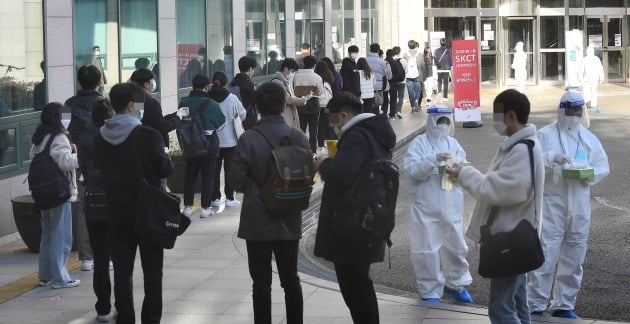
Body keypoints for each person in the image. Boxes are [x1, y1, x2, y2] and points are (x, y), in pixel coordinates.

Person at [444, 89, 544, 324]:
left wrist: (464, 174)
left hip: (510, 239)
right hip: (517, 235)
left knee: (500, 308)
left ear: (510, 115)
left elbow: (501, 190)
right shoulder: (522, 145)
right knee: (518, 303)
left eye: (497, 115)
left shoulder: (522, 149)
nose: (494, 121)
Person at [229, 82, 309, 324]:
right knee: (291, 279)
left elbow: (235, 180)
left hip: (258, 219)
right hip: (290, 215)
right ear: (284, 106)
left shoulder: (249, 139)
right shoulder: (299, 137)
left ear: (256, 107)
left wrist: (257, 188)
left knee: (261, 283)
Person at [313, 92, 396, 324]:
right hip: (368, 219)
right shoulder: (375, 134)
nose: (332, 125)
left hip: (353, 221)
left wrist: (324, 164)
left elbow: (341, 175)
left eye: (332, 119)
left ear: (343, 115)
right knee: (361, 283)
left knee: (353, 286)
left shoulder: (357, 137)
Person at [94, 82, 173, 324]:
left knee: (121, 270)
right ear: (131, 105)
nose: (141, 109)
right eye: (139, 104)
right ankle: (151, 319)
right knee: (152, 273)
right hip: (147, 213)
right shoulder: (148, 135)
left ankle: (125, 318)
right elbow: (165, 168)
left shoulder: (101, 136)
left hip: (116, 212)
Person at [527, 90, 609, 320]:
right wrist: (552, 158)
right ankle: (535, 302)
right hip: (553, 203)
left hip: (580, 205)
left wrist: (588, 175)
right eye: (569, 110)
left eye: (577, 110)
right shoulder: (545, 136)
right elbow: (530, 162)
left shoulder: (589, 138)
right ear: (561, 110)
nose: (573, 115)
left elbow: (603, 166)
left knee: (575, 254)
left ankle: (564, 304)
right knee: (546, 252)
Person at [404, 105, 473, 304]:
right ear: (432, 122)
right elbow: (412, 169)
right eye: (440, 121)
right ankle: (430, 290)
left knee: (456, 247)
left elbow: (464, 165)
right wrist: (432, 159)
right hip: (426, 206)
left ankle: (455, 284)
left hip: (451, 205)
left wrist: (458, 167)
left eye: (446, 121)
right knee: (427, 249)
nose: (443, 125)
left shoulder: (453, 143)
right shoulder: (419, 143)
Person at [30, 102, 81, 290]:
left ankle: (45, 276)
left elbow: (35, 156)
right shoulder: (59, 137)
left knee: (48, 237)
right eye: (64, 116)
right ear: (58, 118)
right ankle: (60, 277)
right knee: (62, 237)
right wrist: (82, 156)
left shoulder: (40, 137)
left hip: (43, 194)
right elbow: (66, 163)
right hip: (59, 194)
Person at [76, 98, 115, 322]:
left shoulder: (85, 138)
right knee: (121, 257)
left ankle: (102, 308)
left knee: (100, 258)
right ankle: (123, 304)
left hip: (94, 200)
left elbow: (83, 169)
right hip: (117, 200)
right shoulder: (117, 135)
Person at [178, 74, 225, 218]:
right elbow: (221, 124)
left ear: (193, 85)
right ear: (206, 86)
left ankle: (187, 207)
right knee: (208, 176)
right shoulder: (212, 104)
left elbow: (182, 122)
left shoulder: (184, 102)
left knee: (190, 176)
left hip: (191, 143)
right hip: (209, 144)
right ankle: (205, 208)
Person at [208, 71, 246, 208]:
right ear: (226, 83)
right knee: (230, 171)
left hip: (213, 142)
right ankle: (230, 198)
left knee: (214, 171)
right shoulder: (232, 98)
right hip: (231, 142)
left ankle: (215, 198)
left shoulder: (208, 98)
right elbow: (243, 114)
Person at [130, 68, 184, 149]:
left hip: (141, 142)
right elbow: (163, 127)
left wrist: (174, 115)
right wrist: (178, 118)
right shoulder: (152, 103)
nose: (154, 82)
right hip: (154, 145)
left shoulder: (138, 98)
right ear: (146, 84)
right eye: (152, 80)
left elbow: (147, 119)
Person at [293, 55, 324, 154]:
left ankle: (300, 151)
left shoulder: (296, 76)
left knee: (301, 130)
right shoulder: (317, 77)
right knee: (313, 131)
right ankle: (313, 152)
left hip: (300, 105)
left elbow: (293, 90)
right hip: (313, 106)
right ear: (314, 65)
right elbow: (320, 92)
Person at [271, 58, 307, 129]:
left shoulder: (286, 82)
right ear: (286, 69)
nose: (293, 74)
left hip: (289, 118)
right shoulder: (277, 82)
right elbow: (287, 99)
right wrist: (303, 100)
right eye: (292, 71)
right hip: (284, 117)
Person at [229, 55, 257, 127]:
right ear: (250, 69)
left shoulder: (232, 82)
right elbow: (255, 104)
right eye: (253, 69)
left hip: (235, 120)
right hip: (248, 121)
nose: (253, 72)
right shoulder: (250, 85)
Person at [366, 43, 392, 115]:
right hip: (378, 87)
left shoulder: (364, 60)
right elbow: (386, 75)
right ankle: (379, 118)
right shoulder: (382, 62)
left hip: (367, 86)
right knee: (377, 104)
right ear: (378, 50)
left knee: (368, 105)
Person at [314, 61, 336, 148]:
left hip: (319, 105)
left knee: (320, 126)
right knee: (330, 126)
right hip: (329, 105)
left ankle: (321, 145)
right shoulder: (330, 77)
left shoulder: (316, 78)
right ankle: (331, 146)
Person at [579, 45, 604, 111]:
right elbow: (600, 69)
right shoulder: (596, 59)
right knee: (594, 91)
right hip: (594, 78)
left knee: (586, 91)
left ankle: (587, 101)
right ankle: (593, 104)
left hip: (587, 78)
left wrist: (580, 77)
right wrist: (601, 78)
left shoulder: (584, 59)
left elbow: (581, 70)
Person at [403, 40, 425, 112]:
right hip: (418, 75)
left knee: (410, 91)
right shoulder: (419, 54)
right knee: (418, 90)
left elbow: (403, 66)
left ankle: (412, 106)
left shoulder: (405, 55)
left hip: (408, 76)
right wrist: (424, 77)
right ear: (415, 45)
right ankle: (416, 100)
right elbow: (422, 66)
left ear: (408, 45)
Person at [385, 49, 405, 120]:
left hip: (385, 83)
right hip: (393, 83)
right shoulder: (394, 62)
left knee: (385, 99)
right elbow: (398, 73)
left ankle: (385, 113)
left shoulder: (384, 62)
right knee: (393, 99)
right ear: (393, 55)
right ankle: (392, 115)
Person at [390, 46, 407, 119]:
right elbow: (406, 70)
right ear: (399, 52)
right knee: (401, 97)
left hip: (393, 82)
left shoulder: (390, 60)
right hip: (402, 81)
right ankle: (398, 111)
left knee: (393, 97)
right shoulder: (403, 61)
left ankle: (392, 112)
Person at [423, 42, 435, 107]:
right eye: (428, 50)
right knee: (426, 87)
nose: (429, 52)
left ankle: (428, 99)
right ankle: (428, 98)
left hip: (430, 73)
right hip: (425, 74)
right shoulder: (423, 58)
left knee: (429, 87)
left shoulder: (432, 57)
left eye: (429, 50)